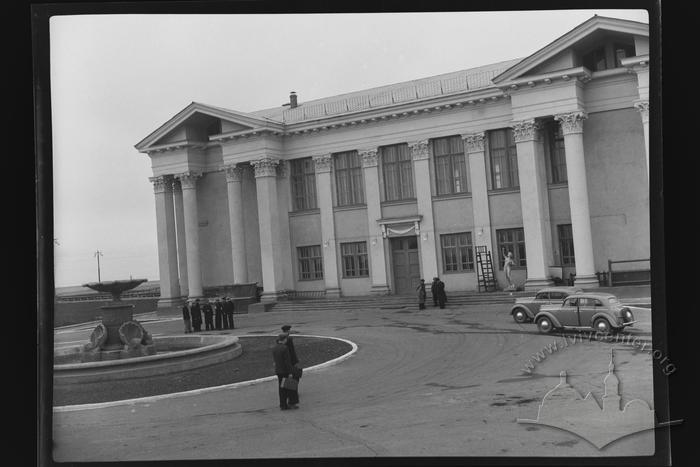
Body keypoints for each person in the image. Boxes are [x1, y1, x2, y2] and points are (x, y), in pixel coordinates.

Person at [272, 334, 298, 410]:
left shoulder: (275, 348)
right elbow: (287, 362)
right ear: (284, 339)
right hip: (285, 371)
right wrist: (290, 372)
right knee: (290, 387)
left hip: (278, 371)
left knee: (281, 389)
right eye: (286, 339)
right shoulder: (285, 348)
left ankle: (283, 405)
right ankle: (292, 403)